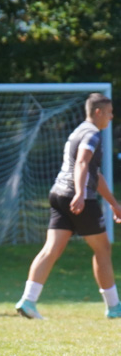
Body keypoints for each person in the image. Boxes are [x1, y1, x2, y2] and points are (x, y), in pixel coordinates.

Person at [15, 93, 121, 320]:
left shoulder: (78, 130)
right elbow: (82, 161)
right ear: (98, 112)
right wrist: (81, 193)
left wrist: (113, 203)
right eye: (110, 113)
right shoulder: (92, 133)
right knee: (103, 249)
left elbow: (95, 173)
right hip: (76, 197)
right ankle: (114, 307)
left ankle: (28, 301)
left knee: (51, 249)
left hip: (58, 194)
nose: (111, 117)